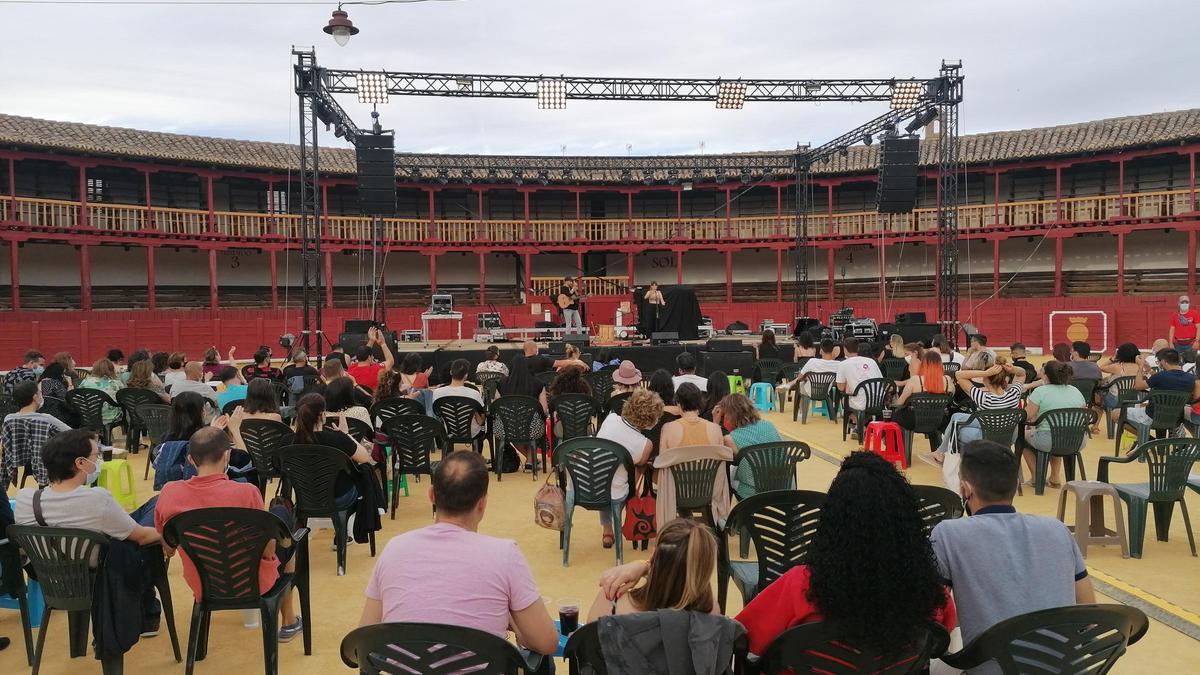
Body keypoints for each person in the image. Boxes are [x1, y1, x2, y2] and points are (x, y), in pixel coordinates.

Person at [600, 452, 955, 658]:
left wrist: (649, 566)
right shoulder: (930, 595)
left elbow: (739, 639)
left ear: (832, 520)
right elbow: (943, 635)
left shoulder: (802, 586)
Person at [358, 450, 559, 660]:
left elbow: (363, 641)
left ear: (431, 495)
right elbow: (546, 642)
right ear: (482, 504)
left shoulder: (394, 549)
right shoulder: (505, 555)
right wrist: (515, 625)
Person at [933, 440, 1093, 666]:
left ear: (965, 489)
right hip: (1063, 667)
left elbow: (933, 616)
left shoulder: (949, 535)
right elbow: (1088, 612)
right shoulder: (1057, 530)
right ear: (1015, 483)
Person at [154, 426, 303, 641]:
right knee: (284, 525)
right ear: (227, 455)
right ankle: (288, 622)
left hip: (202, 583)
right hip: (253, 581)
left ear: (190, 460)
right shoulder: (246, 493)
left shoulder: (169, 492)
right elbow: (268, 551)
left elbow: (168, 548)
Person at [14, 429, 164, 636]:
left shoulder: (25, 499)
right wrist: (170, 533)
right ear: (81, 463)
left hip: (54, 579)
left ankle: (148, 611)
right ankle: (148, 612)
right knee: (155, 508)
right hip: (99, 575)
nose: (99, 460)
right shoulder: (96, 499)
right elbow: (142, 537)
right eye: (97, 455)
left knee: (130, 524)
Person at [588, 517, 717, 622]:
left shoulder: (611, 605)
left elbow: (584, 648)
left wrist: (644, 565)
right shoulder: (712, 614)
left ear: (654, 555)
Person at [924, 355, 1033, 465]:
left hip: (986, 436)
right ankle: (940, 452)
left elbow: (958, 374)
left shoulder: (983, 398)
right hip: (1008, 435)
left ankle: (951, 460)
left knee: (956, 429)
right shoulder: (1014, 394)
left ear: (986, 380)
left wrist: (985, 373)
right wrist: (1012, 369)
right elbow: (1022, 373)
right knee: (956, 417)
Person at [593, 389, 663, 548]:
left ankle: (607, 529)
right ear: (652, 420)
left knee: (604, 472)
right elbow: (637, 473)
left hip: (589, 485)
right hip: (616, 494)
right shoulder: (645, 445)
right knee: (620, 480)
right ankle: (621, 521)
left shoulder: (610, 419)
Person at [292, 394, 373, 509]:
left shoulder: (291, 441)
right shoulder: (337, 439)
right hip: (339, 497)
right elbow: (365, 458)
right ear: (323, 415)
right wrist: (346, 434)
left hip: (305, 498)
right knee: (365, 472)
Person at [1022, 361, 1086, 488]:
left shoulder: (1040, 391)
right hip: (1077, 440)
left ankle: (1036, 477)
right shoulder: (1075, 390)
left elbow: (1027, 416)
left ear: (1046, 376)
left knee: (1023, 436)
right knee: (1057, 432)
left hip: (1049, 440)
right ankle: (1055, 477)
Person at [2, 381, 73, 487]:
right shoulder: (46, 419)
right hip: (46, 465)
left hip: (18, 463)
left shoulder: (8, 419)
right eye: (40, 393)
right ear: (35, 397)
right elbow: (72, 434)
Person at [717, 393, 782, 499]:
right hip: (782, 486)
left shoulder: (730, 439)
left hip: (752, 492)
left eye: (724, 416)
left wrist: (715, 422)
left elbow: (716, 451)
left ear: (730, 416)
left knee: (729, 472)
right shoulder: (769, 425)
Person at [1126, 348, 1200, 437]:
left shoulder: (1160, 376)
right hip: (1174, 417)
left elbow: (1138, 386)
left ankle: (1149, 440)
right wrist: (1149, 370)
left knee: (1116, 414)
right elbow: (1169, 381)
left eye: (1159, 361)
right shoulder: (1190, 378)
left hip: (1152, 416)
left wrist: (1140, 367)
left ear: (1164, 361)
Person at [891, 350, 953, 435]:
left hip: (914, 420)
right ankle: (936, 444)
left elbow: (899, 403)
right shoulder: (947, 380)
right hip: (939, 420)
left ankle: (894, 445)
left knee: (896, 415)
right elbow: (951, 398)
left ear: (923, 365)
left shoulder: (915, 380)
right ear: (940, 365)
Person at [228, 378, 286, 452]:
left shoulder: (239, 415)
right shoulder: (275, 417)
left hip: (244, 453)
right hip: (268, 455)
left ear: (248, 395)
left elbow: (232, 438)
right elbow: (279, 440)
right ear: (269, 395)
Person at [660, 383, 723, 451]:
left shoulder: (668, 429)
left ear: (678, 403)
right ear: (700, 402)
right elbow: (721, 461)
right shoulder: (715, 429)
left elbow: (663, 459)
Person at [835, 338, 883, 428]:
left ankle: (859, 425)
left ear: (844, 349)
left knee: (844, 399)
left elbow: (840, 388)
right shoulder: (871, 361)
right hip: (878, 401)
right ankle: (863, 425)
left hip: (860, 402)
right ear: (858, 349)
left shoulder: (843, 364)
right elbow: (880, 380)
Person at [432, 359, 486, 437]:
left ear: (451, 372)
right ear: (466, 376)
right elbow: (481, 421)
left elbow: (437, 414)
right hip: (472, 433)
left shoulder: (437, 392)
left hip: (448, 432)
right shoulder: (474, 393)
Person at [1100, 342, 1142, 417]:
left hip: (1116, 401)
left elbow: (1101, 367)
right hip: (1134, 400)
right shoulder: (1140, 367)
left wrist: (1113, 358)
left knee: (1099, 393)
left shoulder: (1117, 367)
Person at [79, 358, 125, 425]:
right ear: (111, 369)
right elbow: (123, 399)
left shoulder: (85, 382)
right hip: (108, 418)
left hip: (88, 417)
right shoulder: (115, 383)